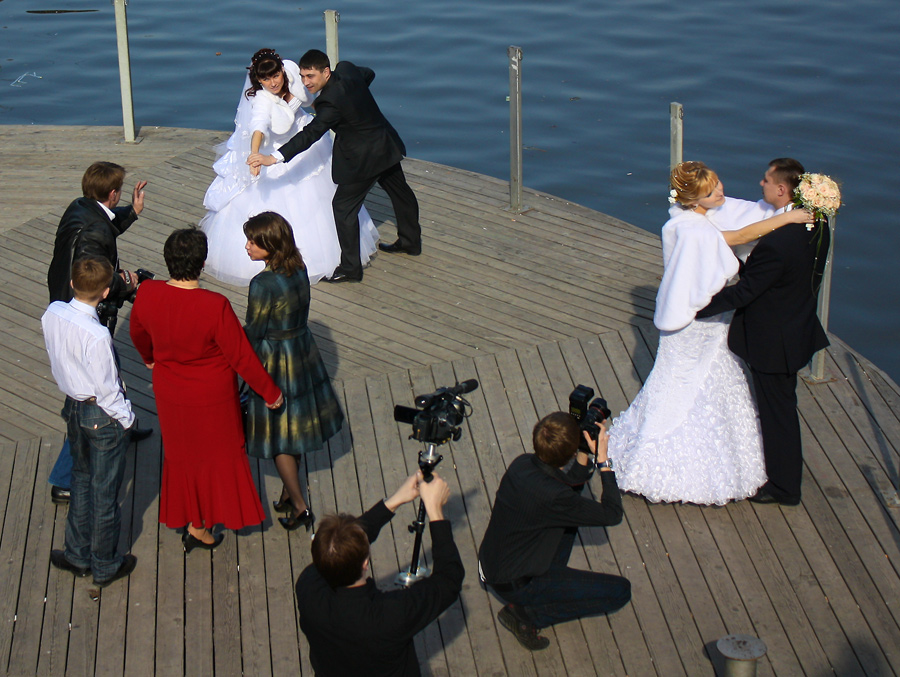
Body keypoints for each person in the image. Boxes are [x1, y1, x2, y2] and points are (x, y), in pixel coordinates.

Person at [606, 162, 814, 505]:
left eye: (718, 184)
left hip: (709, 326)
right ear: (694, 201)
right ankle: (660, 461)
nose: (722, 193)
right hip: (693, 324)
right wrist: (786, 218)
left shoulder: (694, 214)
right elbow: (735, 238)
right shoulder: (692, 230)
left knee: (710, 380)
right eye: (712, 191)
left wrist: (786, 209)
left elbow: (740, 211)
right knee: (679, 384)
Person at [130, 228, 283, 552]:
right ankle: (200, 524)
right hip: (212, 397)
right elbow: (241, 356)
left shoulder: (147, 293)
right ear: (201, 264)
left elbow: (138, 332)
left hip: (170, 391)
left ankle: (194, 521)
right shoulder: (215, 305)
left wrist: (150, 359)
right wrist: (271, 392)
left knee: (182, 457)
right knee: (219, 458)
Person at [697, 158, 830, 506]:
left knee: (778, 414)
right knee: (782, 408)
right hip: (798, 325)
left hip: (774, 340)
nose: (761, 184)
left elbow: (745, 291)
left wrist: (697, 307)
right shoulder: (817, 223)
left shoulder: (777, 243)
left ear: (782, 189)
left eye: (767, 180)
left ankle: (785, 487)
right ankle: (785, 479)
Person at [201, 48, 379, 286]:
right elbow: (259, 127)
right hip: (278, 151)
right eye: (265, 79)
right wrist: (255, 154)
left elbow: (309, 92)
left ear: (282, 70)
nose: (273, 82)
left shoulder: (293, 72)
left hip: (305, 138)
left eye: (276, 76)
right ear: (258, 80)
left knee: (325, 197)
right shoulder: (261, 101)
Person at [249, 49, 422, 283]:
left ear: (326, 72)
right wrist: (357, 102)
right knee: (400, 192)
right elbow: (368, 74)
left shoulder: (329, 103)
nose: (305, 82)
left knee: (342, 207)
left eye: (310, 76)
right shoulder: (347, 70)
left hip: (363, 159)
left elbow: (310, 135)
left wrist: (274, 157)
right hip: (385, 143)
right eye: (302, 76)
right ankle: (411, 242)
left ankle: (350, 268)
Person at [45, 161, 152, 506]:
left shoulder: (80, 208)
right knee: (85, 393)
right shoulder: (94, 234)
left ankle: (127, 423)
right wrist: (128, 282)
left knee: (111, 368)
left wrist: (131, 213)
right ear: (112, 192)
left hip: (63, 306)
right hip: (85, 316)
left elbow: (104, 223)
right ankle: (64, 479)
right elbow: (97, 276)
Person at [478, 412, 630, 651]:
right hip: (517, 583)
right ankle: (528, 616)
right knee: (620, 591)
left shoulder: (523, 463)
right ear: (567, 454)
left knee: (570, 520)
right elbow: (612, 514)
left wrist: (582, 451)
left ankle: (549, 584)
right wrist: (602, 461)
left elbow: (566, 491)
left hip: (494, 561)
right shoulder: (554, 497)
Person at [295, 470, 463, 676]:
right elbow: (449, 581)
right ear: (365, 563)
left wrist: (393, 502)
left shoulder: (308, 586)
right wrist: (435, 512)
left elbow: (340, 546)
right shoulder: (389, 615)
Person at [242, 212, 344, 531]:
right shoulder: (298, 267)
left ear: (269, 245)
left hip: (275, 357)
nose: (246, 246)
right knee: (294, 426)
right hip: (302, 350)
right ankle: (289, 493)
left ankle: (300, 506)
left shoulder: (262, 283)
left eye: (252, 241)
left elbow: (255, 330)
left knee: (279, 437)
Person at [44, 258, 137, 587]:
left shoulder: (52, 313)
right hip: (101, 415)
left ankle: (77, 554)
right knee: (104, 491)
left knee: (81, 480)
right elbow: (108, 388)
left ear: (72, 283)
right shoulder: (97, 335)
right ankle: (105, 563)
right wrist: (127, 419)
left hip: (73, 406)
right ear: (106, 292)